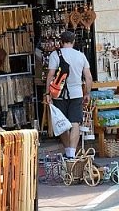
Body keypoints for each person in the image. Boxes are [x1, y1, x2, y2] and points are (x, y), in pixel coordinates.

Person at [45, 31, 92, 159]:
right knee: (75, 122)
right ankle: (72, 153)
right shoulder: (80, 55)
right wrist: (87, 93)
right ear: (73, 41)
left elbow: (50, 75)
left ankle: (68, 151)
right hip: (77, 93)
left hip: (59, 94)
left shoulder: (55, 54)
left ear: (61, 41)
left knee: (62, 123)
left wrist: (47, 93)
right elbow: (88, 77)